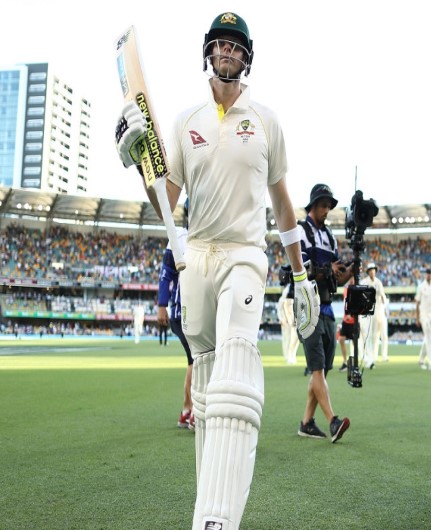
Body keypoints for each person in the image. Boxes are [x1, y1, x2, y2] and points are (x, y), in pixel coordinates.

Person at [115, 11, 319, 530]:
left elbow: (284, 206)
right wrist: (139, 160)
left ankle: (218, 519)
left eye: (236, 46)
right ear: (209, 52)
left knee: (235, 364)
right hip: (197, 256)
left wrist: (299, 276)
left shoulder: (266, 121)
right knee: (206, 392)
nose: (228, 53)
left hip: (245, 255)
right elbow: (167, 203)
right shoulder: (186, 122)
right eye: (220, 45)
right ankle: (208, 505)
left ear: (247, 57)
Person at [296, 183, 353, 442]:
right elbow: (301, 269)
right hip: (308, 307)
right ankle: (333, 421)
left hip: (328, 308)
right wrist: (328, 268)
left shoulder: (330, 236)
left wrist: (347, 273)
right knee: (318, 369)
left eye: (329, 205)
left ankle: (306, 422)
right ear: (313, 205)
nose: (327, 210)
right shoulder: (301, 230)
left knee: (324, 369)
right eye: (323, 205)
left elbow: (334, 277)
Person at [157, 206, 194, 429]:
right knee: (198, 359)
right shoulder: (180, 237)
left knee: (195, 360)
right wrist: (162, 305)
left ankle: (188, 409)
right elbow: (166, 273)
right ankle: (194, 411)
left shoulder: (210, 236)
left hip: (197, 310)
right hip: (183, 311)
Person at [361, 262, 389, 367]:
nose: (372, 271)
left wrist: (384, 309)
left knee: (376, 335)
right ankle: (369, 358)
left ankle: (374, 357)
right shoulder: (364, 282)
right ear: (368, 272)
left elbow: (382, 296)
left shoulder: (378, 282)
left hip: (378, 311)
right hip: (367, 311)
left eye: (374, 270)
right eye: (370, 270)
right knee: (368, 335)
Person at [337, 276, 357, 372]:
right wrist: (345, 316)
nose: (351, 279)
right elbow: (345, 304)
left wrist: (352, 314)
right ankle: (345, 363)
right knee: (341, 339)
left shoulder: (357, 289)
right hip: (346, 320)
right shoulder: (346, 289)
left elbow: (358, 305)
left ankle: (355, 364)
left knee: (354, 342)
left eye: (353, 278)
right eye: (350, 277)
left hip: (354, 320)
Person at [277, 284, 300, 365]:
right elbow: (281, 307)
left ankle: (292, 355)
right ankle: (288, 357)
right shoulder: (287, 292)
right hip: (287, 320)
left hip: (296, 319)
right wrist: (281, 319)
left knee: (296, 338)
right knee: (288, 339)